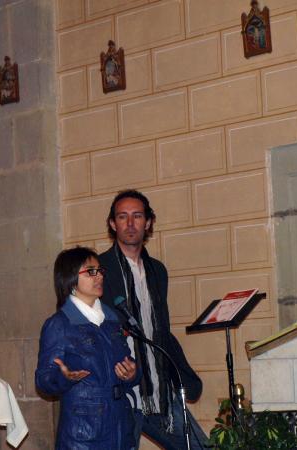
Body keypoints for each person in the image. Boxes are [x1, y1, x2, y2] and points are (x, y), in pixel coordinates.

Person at [99, 190, 207, 450]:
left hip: (158, 388)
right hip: (120, 390)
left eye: (137, 216)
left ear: (147, 222)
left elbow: (161, 329)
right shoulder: (100, 269)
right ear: (113, 224)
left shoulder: (157, 270)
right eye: (122, 217)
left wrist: (183, 374)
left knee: (200, 447)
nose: (130, 223)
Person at [35, 247, 140, 450]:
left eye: (100, 271)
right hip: (84, 434)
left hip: (120, 425)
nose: (99, 276)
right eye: (90, 271)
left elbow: (129, 364)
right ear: (70, 278)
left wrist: (132, 373)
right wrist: (64, 378)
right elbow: (43, 381)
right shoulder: (60, 324)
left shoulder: (112, 320)